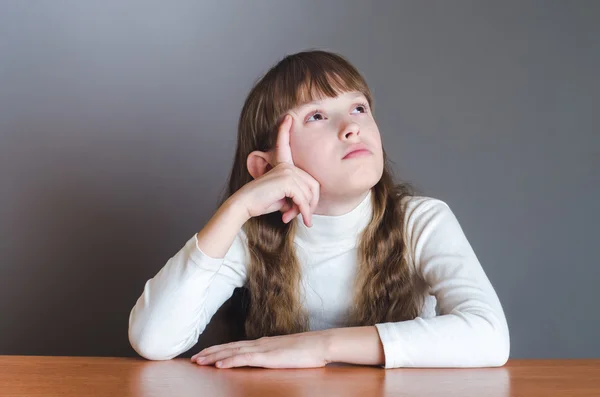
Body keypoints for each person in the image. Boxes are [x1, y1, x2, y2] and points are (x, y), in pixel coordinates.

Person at [128, 50, 510, 369]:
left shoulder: (421, 221)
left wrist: (320, 346)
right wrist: (239, 207)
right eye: (316, 116)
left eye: (358, 107)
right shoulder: (253, 237)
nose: (351, 127)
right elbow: (154, 339)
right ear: (265, 166)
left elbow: (489, 334)